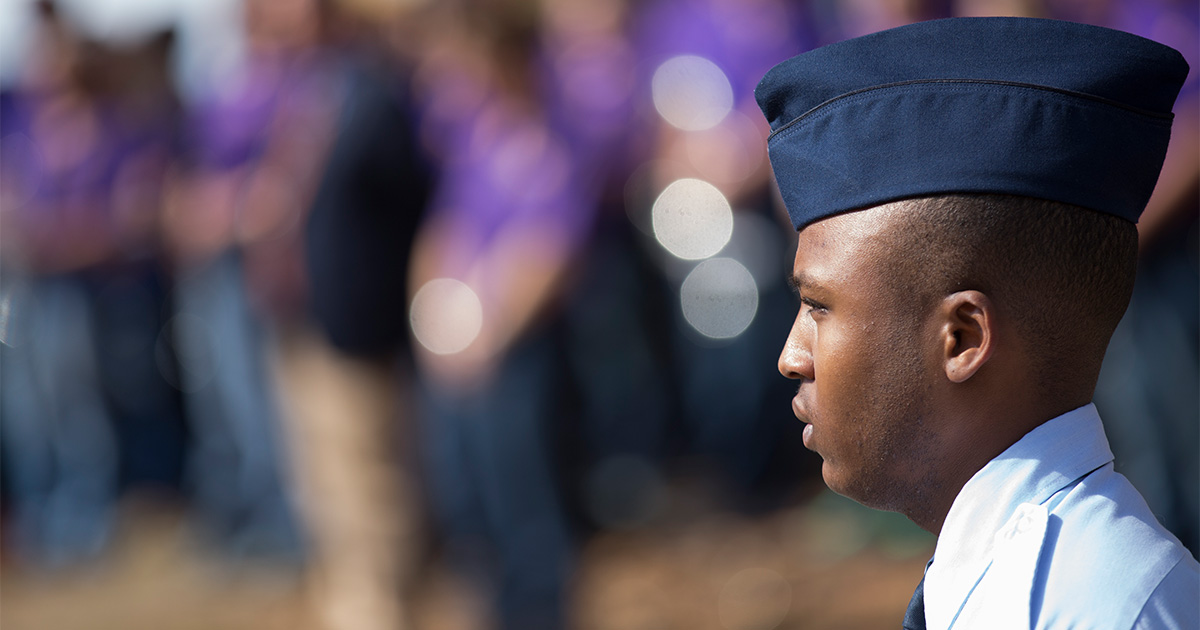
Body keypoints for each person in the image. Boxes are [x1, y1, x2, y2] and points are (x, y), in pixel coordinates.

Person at [753, 17, 1199, 630]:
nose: (791, 356)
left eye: (819, 308)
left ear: (961, 338)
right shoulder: (1010, 580)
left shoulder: (1100, 606)